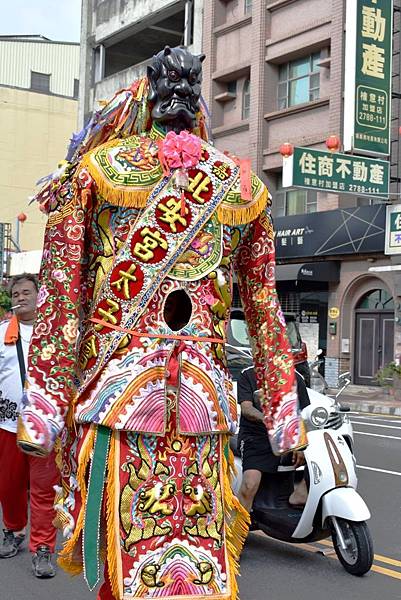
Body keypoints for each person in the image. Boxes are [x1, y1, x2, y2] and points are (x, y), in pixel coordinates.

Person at [17, 46, 305, 600]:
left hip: (138, 406)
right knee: (171, 565)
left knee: (157, 564)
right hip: (183, 408)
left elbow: (61, 299)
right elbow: (267, 315)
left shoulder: (100, 170)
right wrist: (283, 413)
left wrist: (47, 406)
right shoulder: (241, 186)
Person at [0, 274, 58, 577]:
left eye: (26, 292)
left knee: (43, 490)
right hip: (7, 424)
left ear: (40, 296)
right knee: (8, 487)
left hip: (44, 427)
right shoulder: (0, 334)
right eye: (16, 293)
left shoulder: (55, 334)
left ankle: (43, 547)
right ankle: (13, 529)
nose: (20, 297)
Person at [237, 366, 309, 513]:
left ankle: (300, 494)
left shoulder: (296, 377)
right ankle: (237, 531)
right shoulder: (248, 374)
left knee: (322, 456)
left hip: (287, 436)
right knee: (250, 484)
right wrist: (268, 419)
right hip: (256, 436)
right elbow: (246, 408)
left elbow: (303, 413)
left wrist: (301, 447)